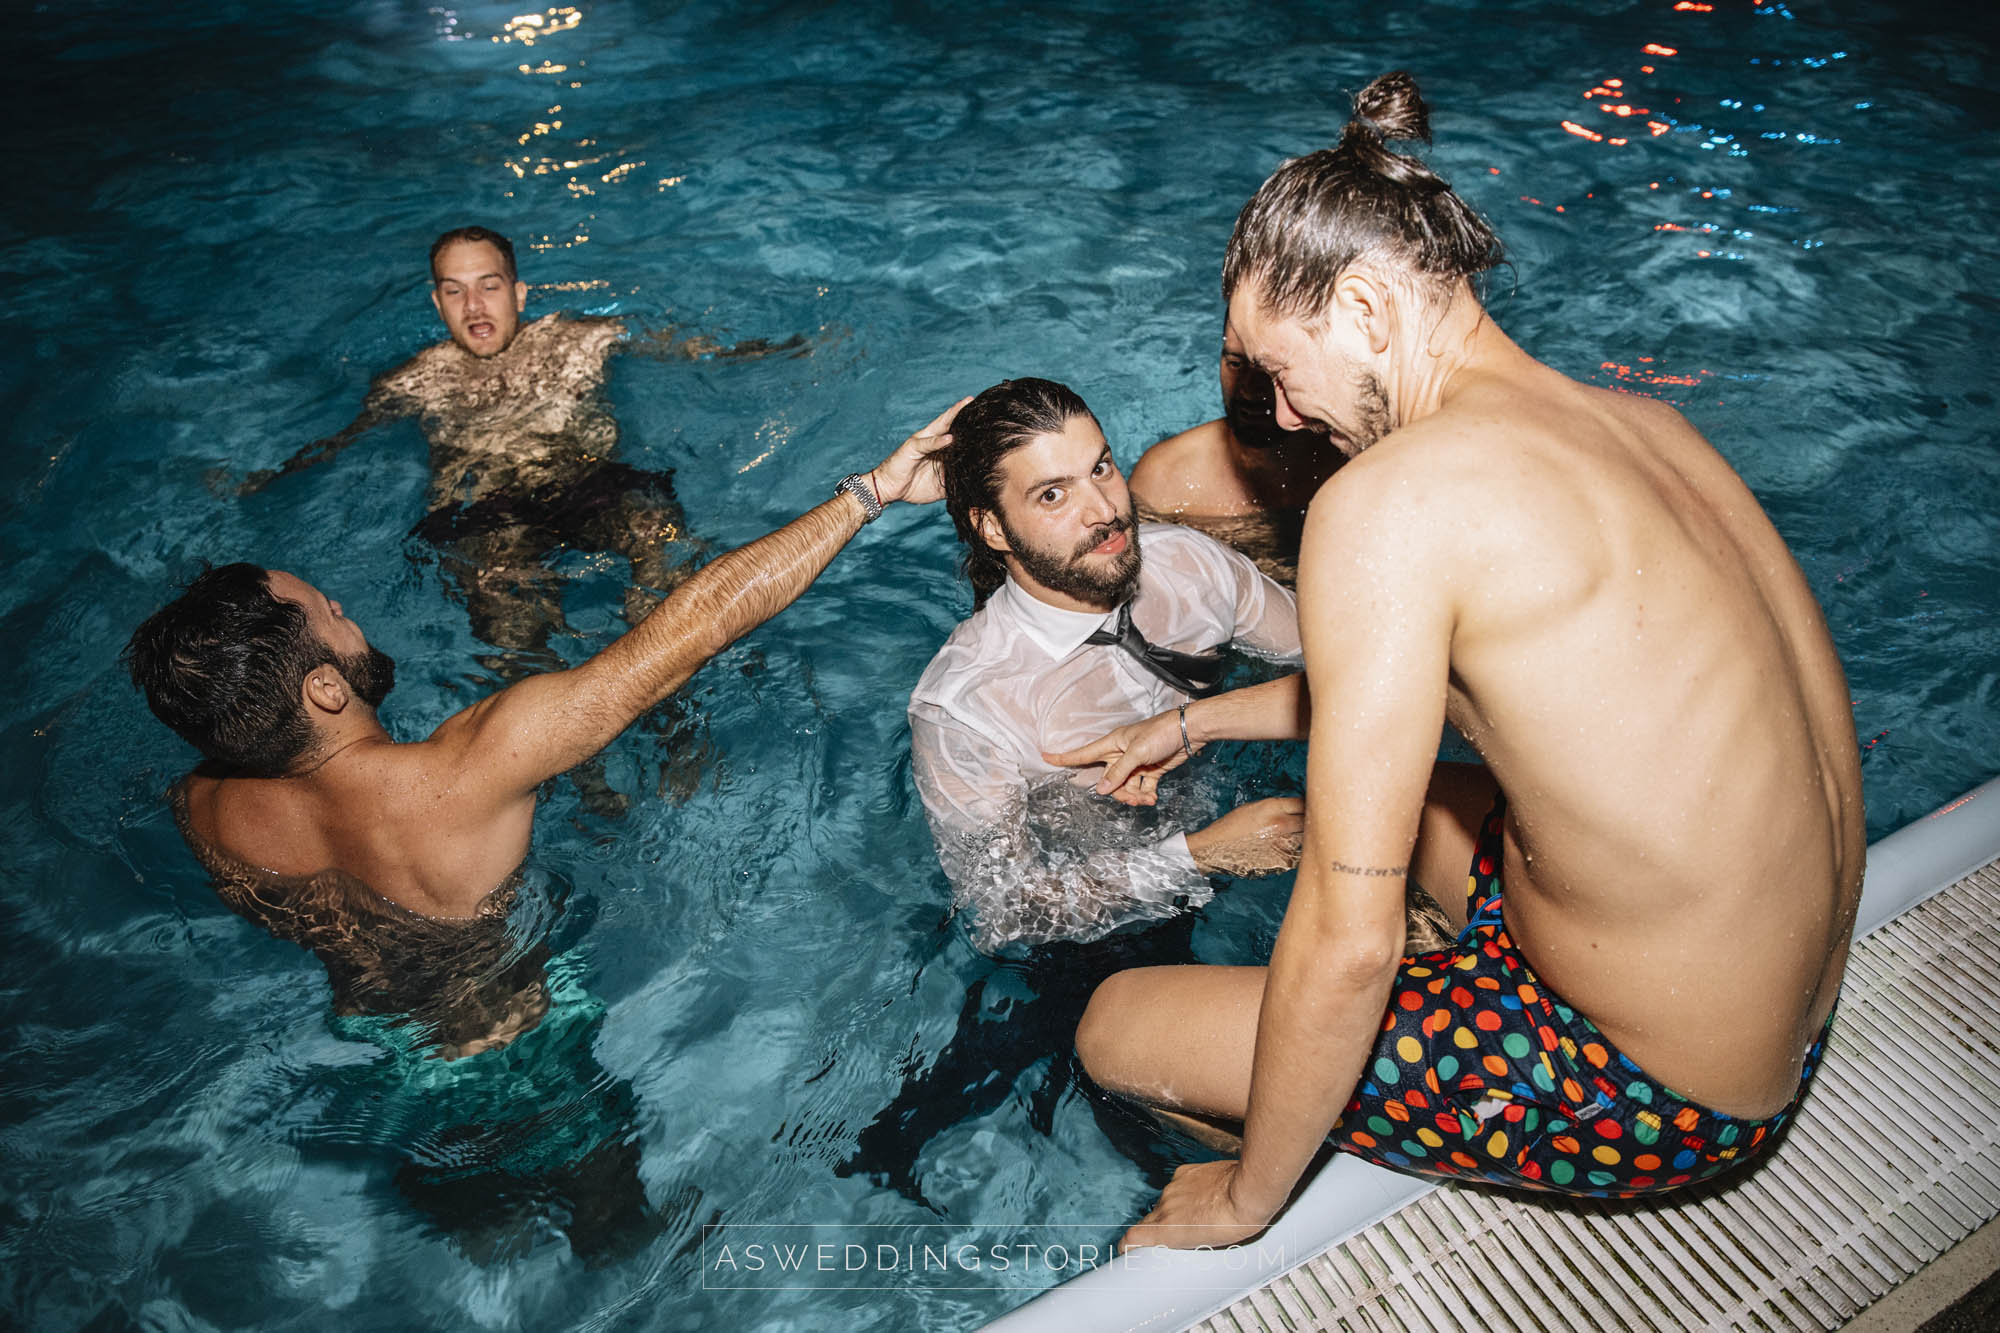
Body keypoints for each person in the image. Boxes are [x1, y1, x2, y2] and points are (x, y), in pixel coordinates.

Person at [1054, 71, 1864, 1247]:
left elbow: (1349, 936)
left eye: (1278, 370)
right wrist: (1190, 724)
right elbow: (1438, 697)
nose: (1277, 417)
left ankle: (1308, 1163)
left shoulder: (1385, 506)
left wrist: (1245, 1200)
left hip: (1666, 1101)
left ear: (1369, 313)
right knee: (1418, 804)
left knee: (1117, 1028)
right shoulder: (1645, 425)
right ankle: (1426, 1043)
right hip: (1787, 1014)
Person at [124, 404, 960, 1056]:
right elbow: (695, 627)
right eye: (326, 613)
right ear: (323, 689)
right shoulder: (468, 771)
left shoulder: (201, 804)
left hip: (389, 1048)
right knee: (611, 1224)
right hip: (522, 1042)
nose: (344, 609)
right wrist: (871, 492)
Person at [232, 225, 813, 660]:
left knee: (659, 537)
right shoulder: (413, 382)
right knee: (510, 622)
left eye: (489, 286)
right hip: (484, 513)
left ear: (518, 291)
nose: (475, 306)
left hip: (589, 484)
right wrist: (265, 479)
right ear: (437, 303)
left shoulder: (578, 340)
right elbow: (338, 442)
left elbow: (685, 346)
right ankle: (569, 757)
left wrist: (777, 350)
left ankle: (671, 693)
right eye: (455, 291)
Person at [907, 376, 1309, 956]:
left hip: (1257, 831)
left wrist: (1209, 721)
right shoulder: (967, 710)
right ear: (992, 527)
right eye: (1052, 495)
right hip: (1098, 948)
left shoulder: (1191, 565)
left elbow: (1350, 670)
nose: (1104, 512)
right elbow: (1004, 912)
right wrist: (1202, 855)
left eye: (1101, 468)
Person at [1128, 323, 1345, 584]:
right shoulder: (1165, 479)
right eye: (1235, 364)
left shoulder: (1347, 460)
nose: (1248, 390)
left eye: (1267, 369)